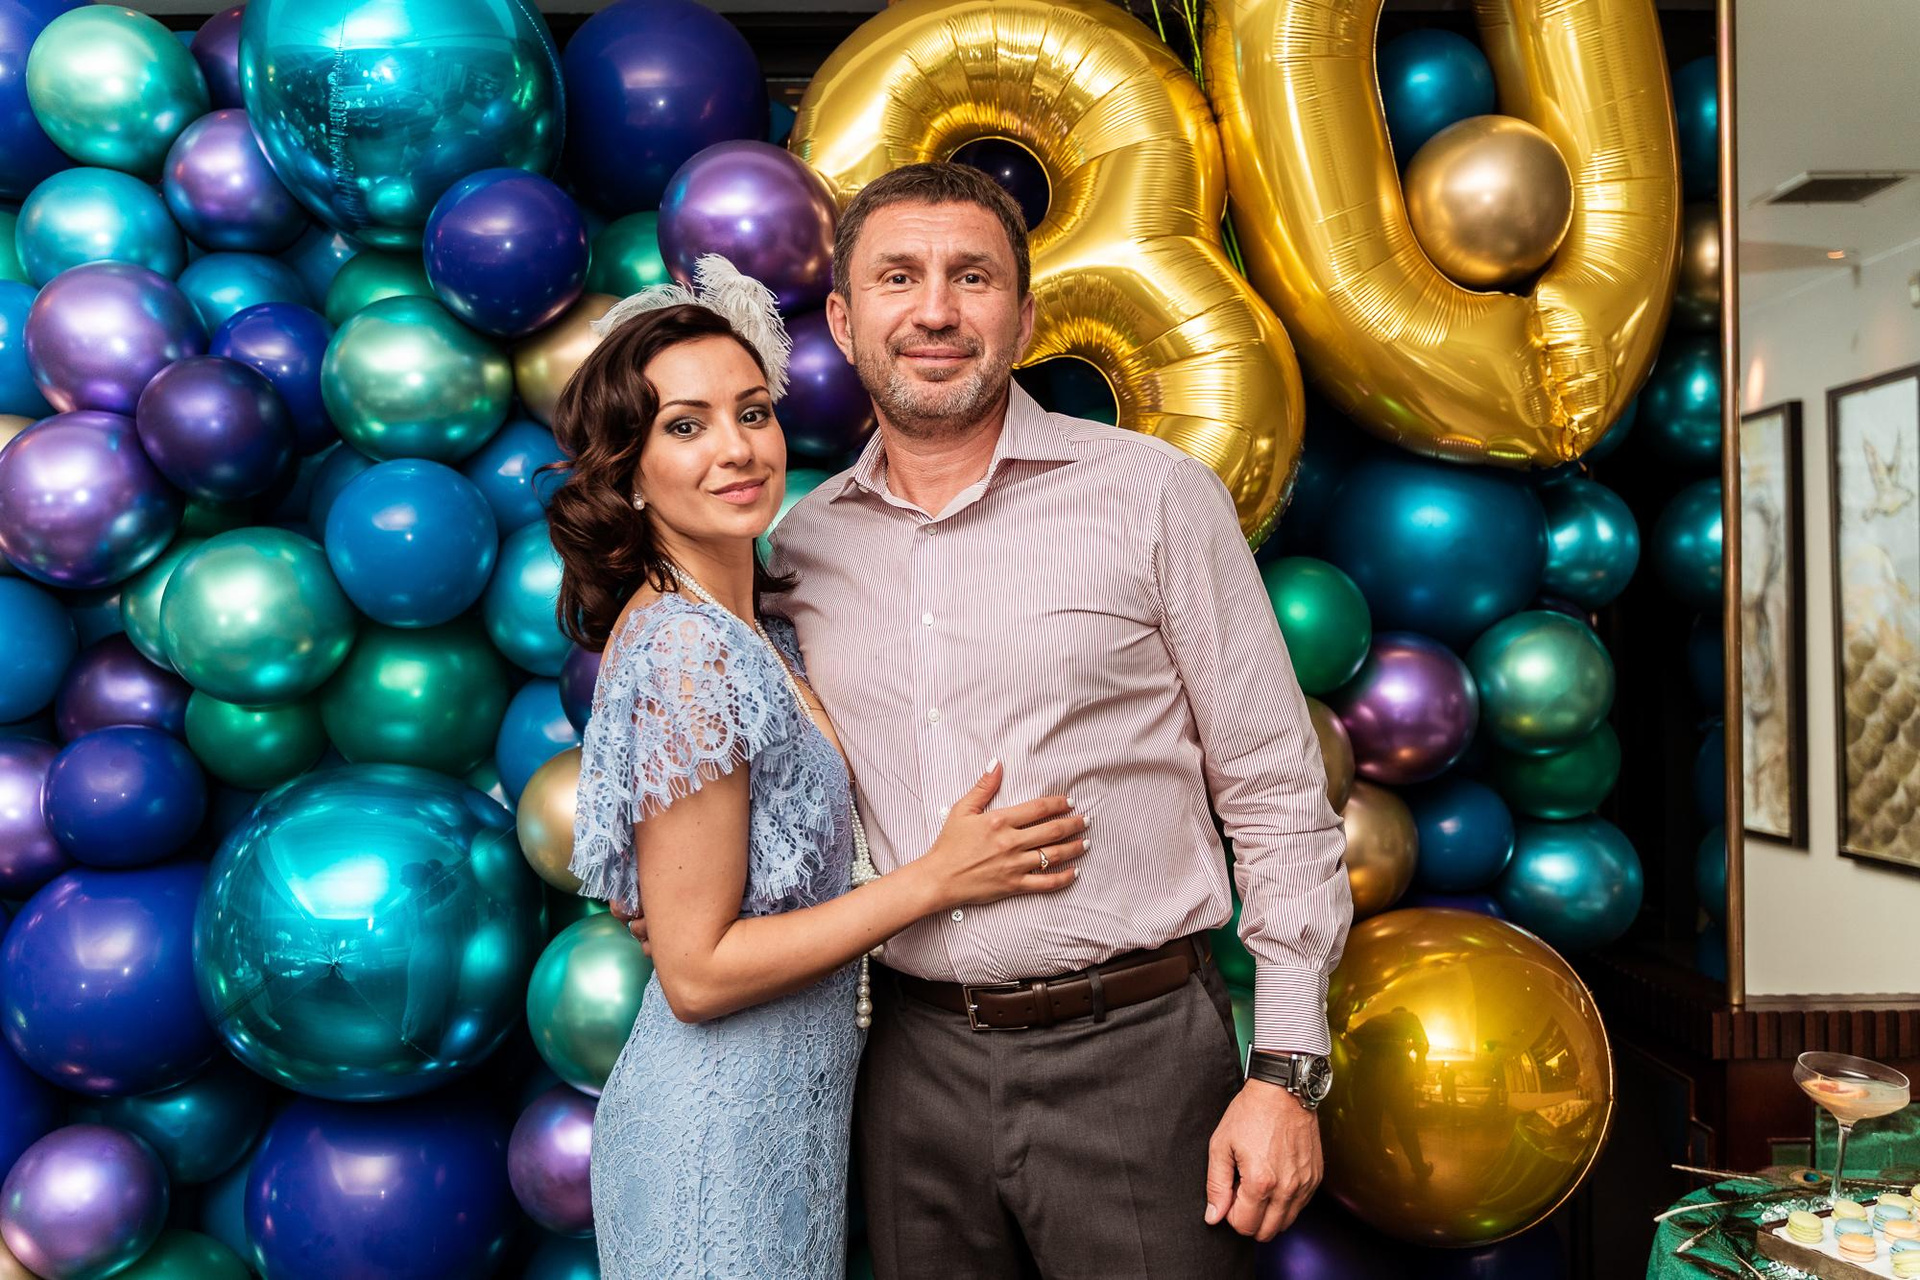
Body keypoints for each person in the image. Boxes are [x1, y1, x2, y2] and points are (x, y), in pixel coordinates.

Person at [618, 164, 1352, 1278]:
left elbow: (1276, 786)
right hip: (908, 1067)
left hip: (1137, 1054)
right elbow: (766, 781)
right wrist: (678, 892)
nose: (935, 310)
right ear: (843, 321)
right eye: (898, 277)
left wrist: (1287, 1069)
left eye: (972, 276)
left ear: (1027, 315)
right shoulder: (802, 546)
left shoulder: (1154, 496)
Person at [546, 256, 1092, 1279]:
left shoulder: (758, 629)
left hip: (786, 1115)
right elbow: (698, 973)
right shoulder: (688, 647)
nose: (737, 448)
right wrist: (937, 880)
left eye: (751, 412)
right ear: (629, 472)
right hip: (714, 1131)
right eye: (685, 426)